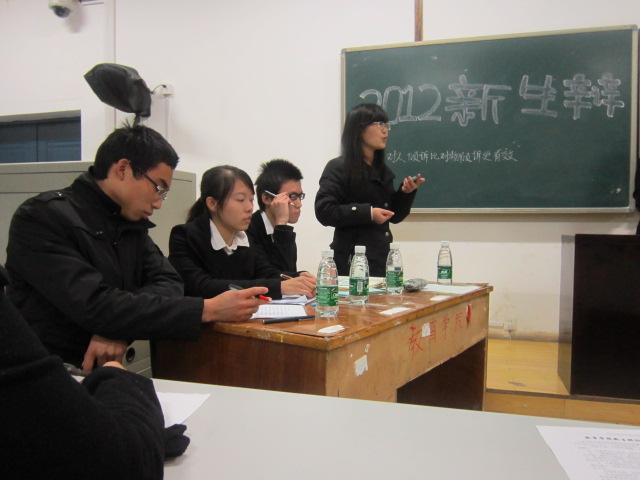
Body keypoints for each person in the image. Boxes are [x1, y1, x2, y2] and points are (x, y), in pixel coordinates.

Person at [6, 123, 266, 372]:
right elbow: (94, 304)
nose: (158, 203)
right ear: (123, 169)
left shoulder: (130, 224)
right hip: (43, 370)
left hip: (102, 371)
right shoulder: (43, 218)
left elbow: (170, 282)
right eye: (158, 188)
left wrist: (118, 328)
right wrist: (206, 309)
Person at [0, 264, 188, 479]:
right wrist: (118, 376)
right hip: (73, 379)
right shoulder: (37, 243)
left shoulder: (133, 238)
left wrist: (118, 325)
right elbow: (125, 464)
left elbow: (169, 280)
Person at [169, 165, 316, 299]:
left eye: (251, 200)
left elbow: (267, 273)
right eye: (240, 200)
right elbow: (203, 287)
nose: (249, 208)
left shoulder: (242, 239)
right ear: (212, 204)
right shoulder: (184, 236)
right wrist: (279, 287)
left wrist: (298, 277)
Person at [315, 103, 426, 277]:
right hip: (351, 262)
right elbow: (324, 211)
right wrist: (368, 213)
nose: (385, 130)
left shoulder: (381, 170)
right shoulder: (338, 167)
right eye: (379, 124)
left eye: (386, 125)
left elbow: (394, 216)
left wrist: (405, 193)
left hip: (381, 261)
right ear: (359, 128)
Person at [248, 158, 313, 279]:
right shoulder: (249, 229)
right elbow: (270, 277)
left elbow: (288, 272)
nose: (299, 204)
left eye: (300, 196)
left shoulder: (283, 231)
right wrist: (282, 224)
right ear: (267, 198)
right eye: (292, 197)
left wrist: (300, 275)